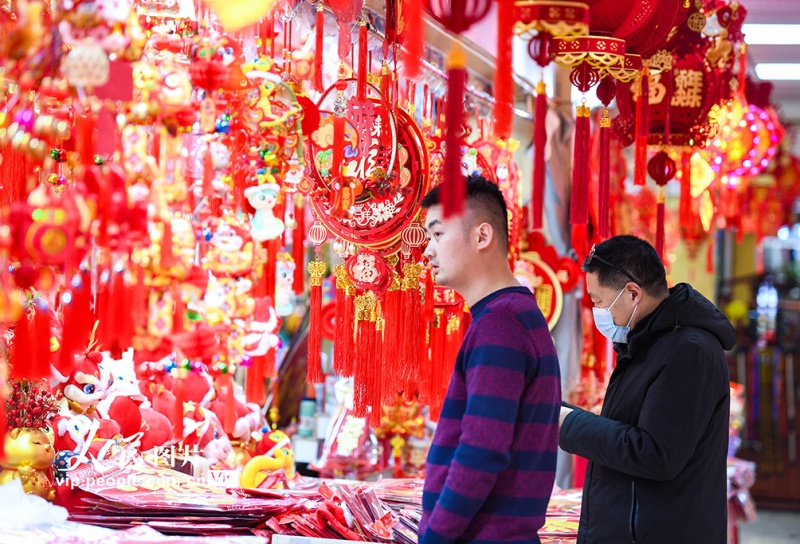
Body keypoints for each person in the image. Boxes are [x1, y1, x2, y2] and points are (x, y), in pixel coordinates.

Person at [559, 235, 735, 543]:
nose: (597, 310)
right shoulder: (647, 343)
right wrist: (554, 412)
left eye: (598, 300)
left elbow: (655, 454)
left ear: (631, 293)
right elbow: (623, 428)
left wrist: (567, 424)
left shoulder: (688, 352)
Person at [418, 175, 561, 544]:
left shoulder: (501, 323)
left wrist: (434, 536)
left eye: (437, 235)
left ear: (482, 237)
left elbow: (482, 451)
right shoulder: (510, 315)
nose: (427, 251)